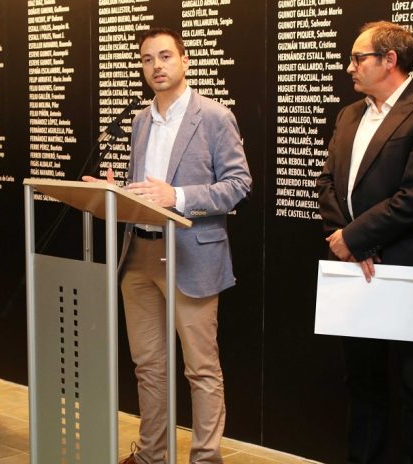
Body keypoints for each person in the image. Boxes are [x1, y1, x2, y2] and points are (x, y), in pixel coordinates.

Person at [85, 27, 251, 464]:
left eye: (164, 56)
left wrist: (176, 196)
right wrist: (115, 193)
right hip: (138, 255)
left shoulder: (214, 116)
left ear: (185, 60)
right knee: (148, 366)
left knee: (201, 369)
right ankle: (151, 455)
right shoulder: (141, 120)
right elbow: (145, 193)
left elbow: (238, 185)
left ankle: (205, 458)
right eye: (147, 59)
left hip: (191, 256)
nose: (156, 66)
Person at [316, 21, 413, 463]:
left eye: (358, 58)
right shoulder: (349, 114)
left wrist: (356, 238)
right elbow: (326, 183)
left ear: (390, 60)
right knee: (362, 383)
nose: (349, 67)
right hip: (353, 270)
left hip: (404, 270)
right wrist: (347, 242)